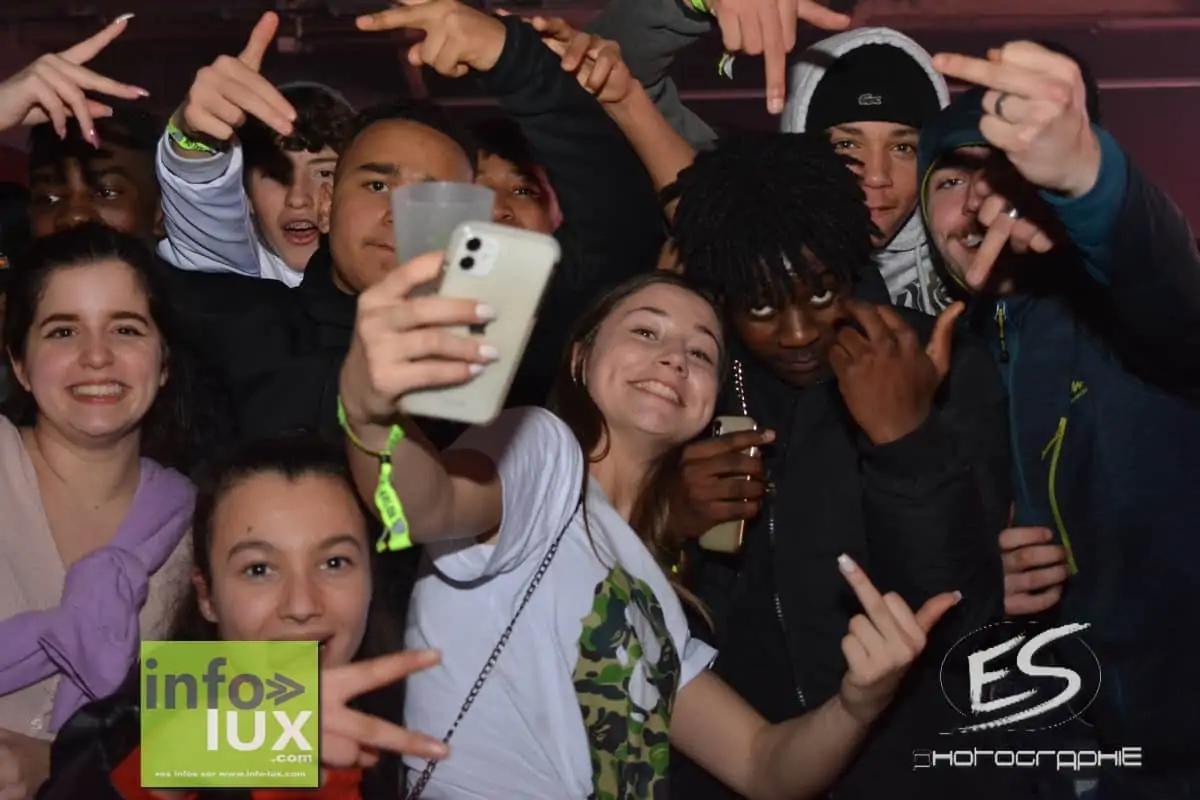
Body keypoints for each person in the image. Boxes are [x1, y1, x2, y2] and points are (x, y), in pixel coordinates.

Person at [336, 264, 961, 798]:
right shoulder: (542, 451)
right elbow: (426, 504)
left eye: (701, 353)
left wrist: (858, 703)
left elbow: (764, 766)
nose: (674, 357)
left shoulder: (656, 599)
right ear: (581, 358)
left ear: (710, 404)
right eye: (645, 331)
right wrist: (369, 416)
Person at [658, 132, 1013, 798]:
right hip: (737, 765)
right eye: (761, 307)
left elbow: (964, 617)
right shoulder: (691, 384)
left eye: (821, 295)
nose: (797, 333)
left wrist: (905, 439)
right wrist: (667, 519)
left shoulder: (933, 361)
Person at [172, 4, 661, 442]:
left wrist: (512, 58)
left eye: (430, 196)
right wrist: (190, 141)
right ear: (325, 206)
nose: (398, 213)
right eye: (376, 185)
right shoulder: (241, 328)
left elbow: (620, 230)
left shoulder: (500, 349)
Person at [922, 41, 1200, 797]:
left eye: (1001, 173)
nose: (975, 202)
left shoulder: (1120, 322)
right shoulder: (931, 364)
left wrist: (1088, 178)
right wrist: (981, 583)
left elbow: (1168, 288)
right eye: (950, 180)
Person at [37, 434, 449, 800]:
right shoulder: (135, 732)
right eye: (259, 569)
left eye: (334, 563)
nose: (301, 605)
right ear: (207, 596)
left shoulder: (411, 716)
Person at [0, 224, 200, 800]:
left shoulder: (205, 528)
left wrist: (62, 766)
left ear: (163, 362)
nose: (96, 356)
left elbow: (257, 737)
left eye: (126, 329)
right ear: (20, 363)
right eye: (63, 331)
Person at [157, 12, 357, 286]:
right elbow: (203, 202)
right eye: (276, 175)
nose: (298, 199)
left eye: (324, 173)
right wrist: (193, 137)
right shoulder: (234, 277)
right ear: (246, 195)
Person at [782, 28, 953, 315]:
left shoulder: (969, 263)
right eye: (846, 145)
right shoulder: (747, 273)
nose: (876, 176)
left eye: (903, 148)